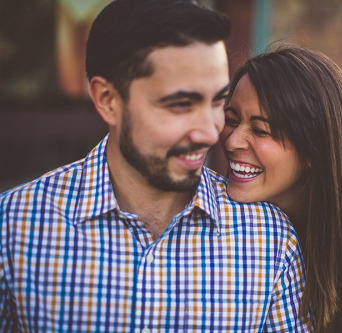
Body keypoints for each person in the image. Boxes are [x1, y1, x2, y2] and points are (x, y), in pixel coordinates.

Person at [0, 1, 308, 332]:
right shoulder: (14, 227)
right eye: (180, 105)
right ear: (108, 100)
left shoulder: (270, 241)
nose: (211, 132)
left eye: (218, 101)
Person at [220, 46, 342, 332]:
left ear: (313, 149)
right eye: (231, 120)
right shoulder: (208, 219)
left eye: (260, 130)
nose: (232, 141)